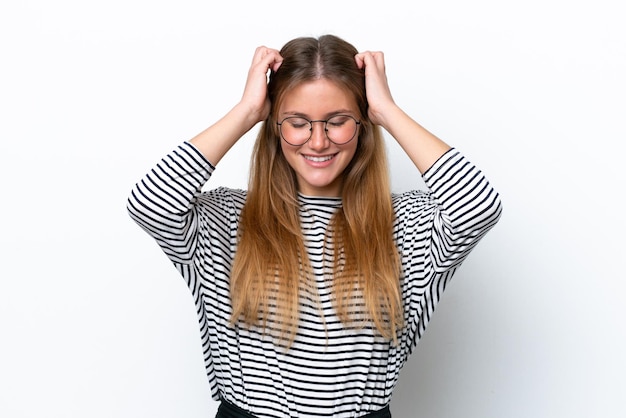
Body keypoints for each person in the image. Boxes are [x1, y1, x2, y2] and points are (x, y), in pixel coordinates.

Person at [127, 34, 502, 418]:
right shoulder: (227, 219)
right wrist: (245, 112)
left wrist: (387, 111)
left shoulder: (402, 225)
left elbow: (479, 207)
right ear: (275, 126)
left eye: (337, 121)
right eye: (297, 122)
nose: (318, 141)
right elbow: (149, 204)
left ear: (362, 124)